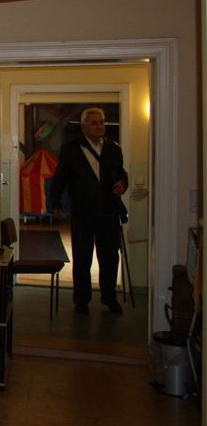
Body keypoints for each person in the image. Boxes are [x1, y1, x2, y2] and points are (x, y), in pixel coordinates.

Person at [48, 107, 128, 315]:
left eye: (102, 122)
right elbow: (60, 178)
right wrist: (55, 204)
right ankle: (81, 300)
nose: (100, 126)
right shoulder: (71, 148)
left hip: (109, 212)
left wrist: (123, 184)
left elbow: (121, 174)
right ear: (84, 126)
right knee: (82, 258)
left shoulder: (113, 148)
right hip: (82, 212)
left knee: (110, 258)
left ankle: (109, 298)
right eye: (95, 123)